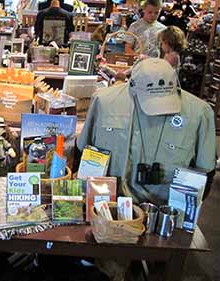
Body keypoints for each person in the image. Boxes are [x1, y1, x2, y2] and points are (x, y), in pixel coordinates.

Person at [77, 58, 216, 206]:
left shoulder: (200, 112)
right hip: (108, 204)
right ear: (132, 85)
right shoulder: (103, 101)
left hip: (164, 211)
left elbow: (205, 173)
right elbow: (83, 152)